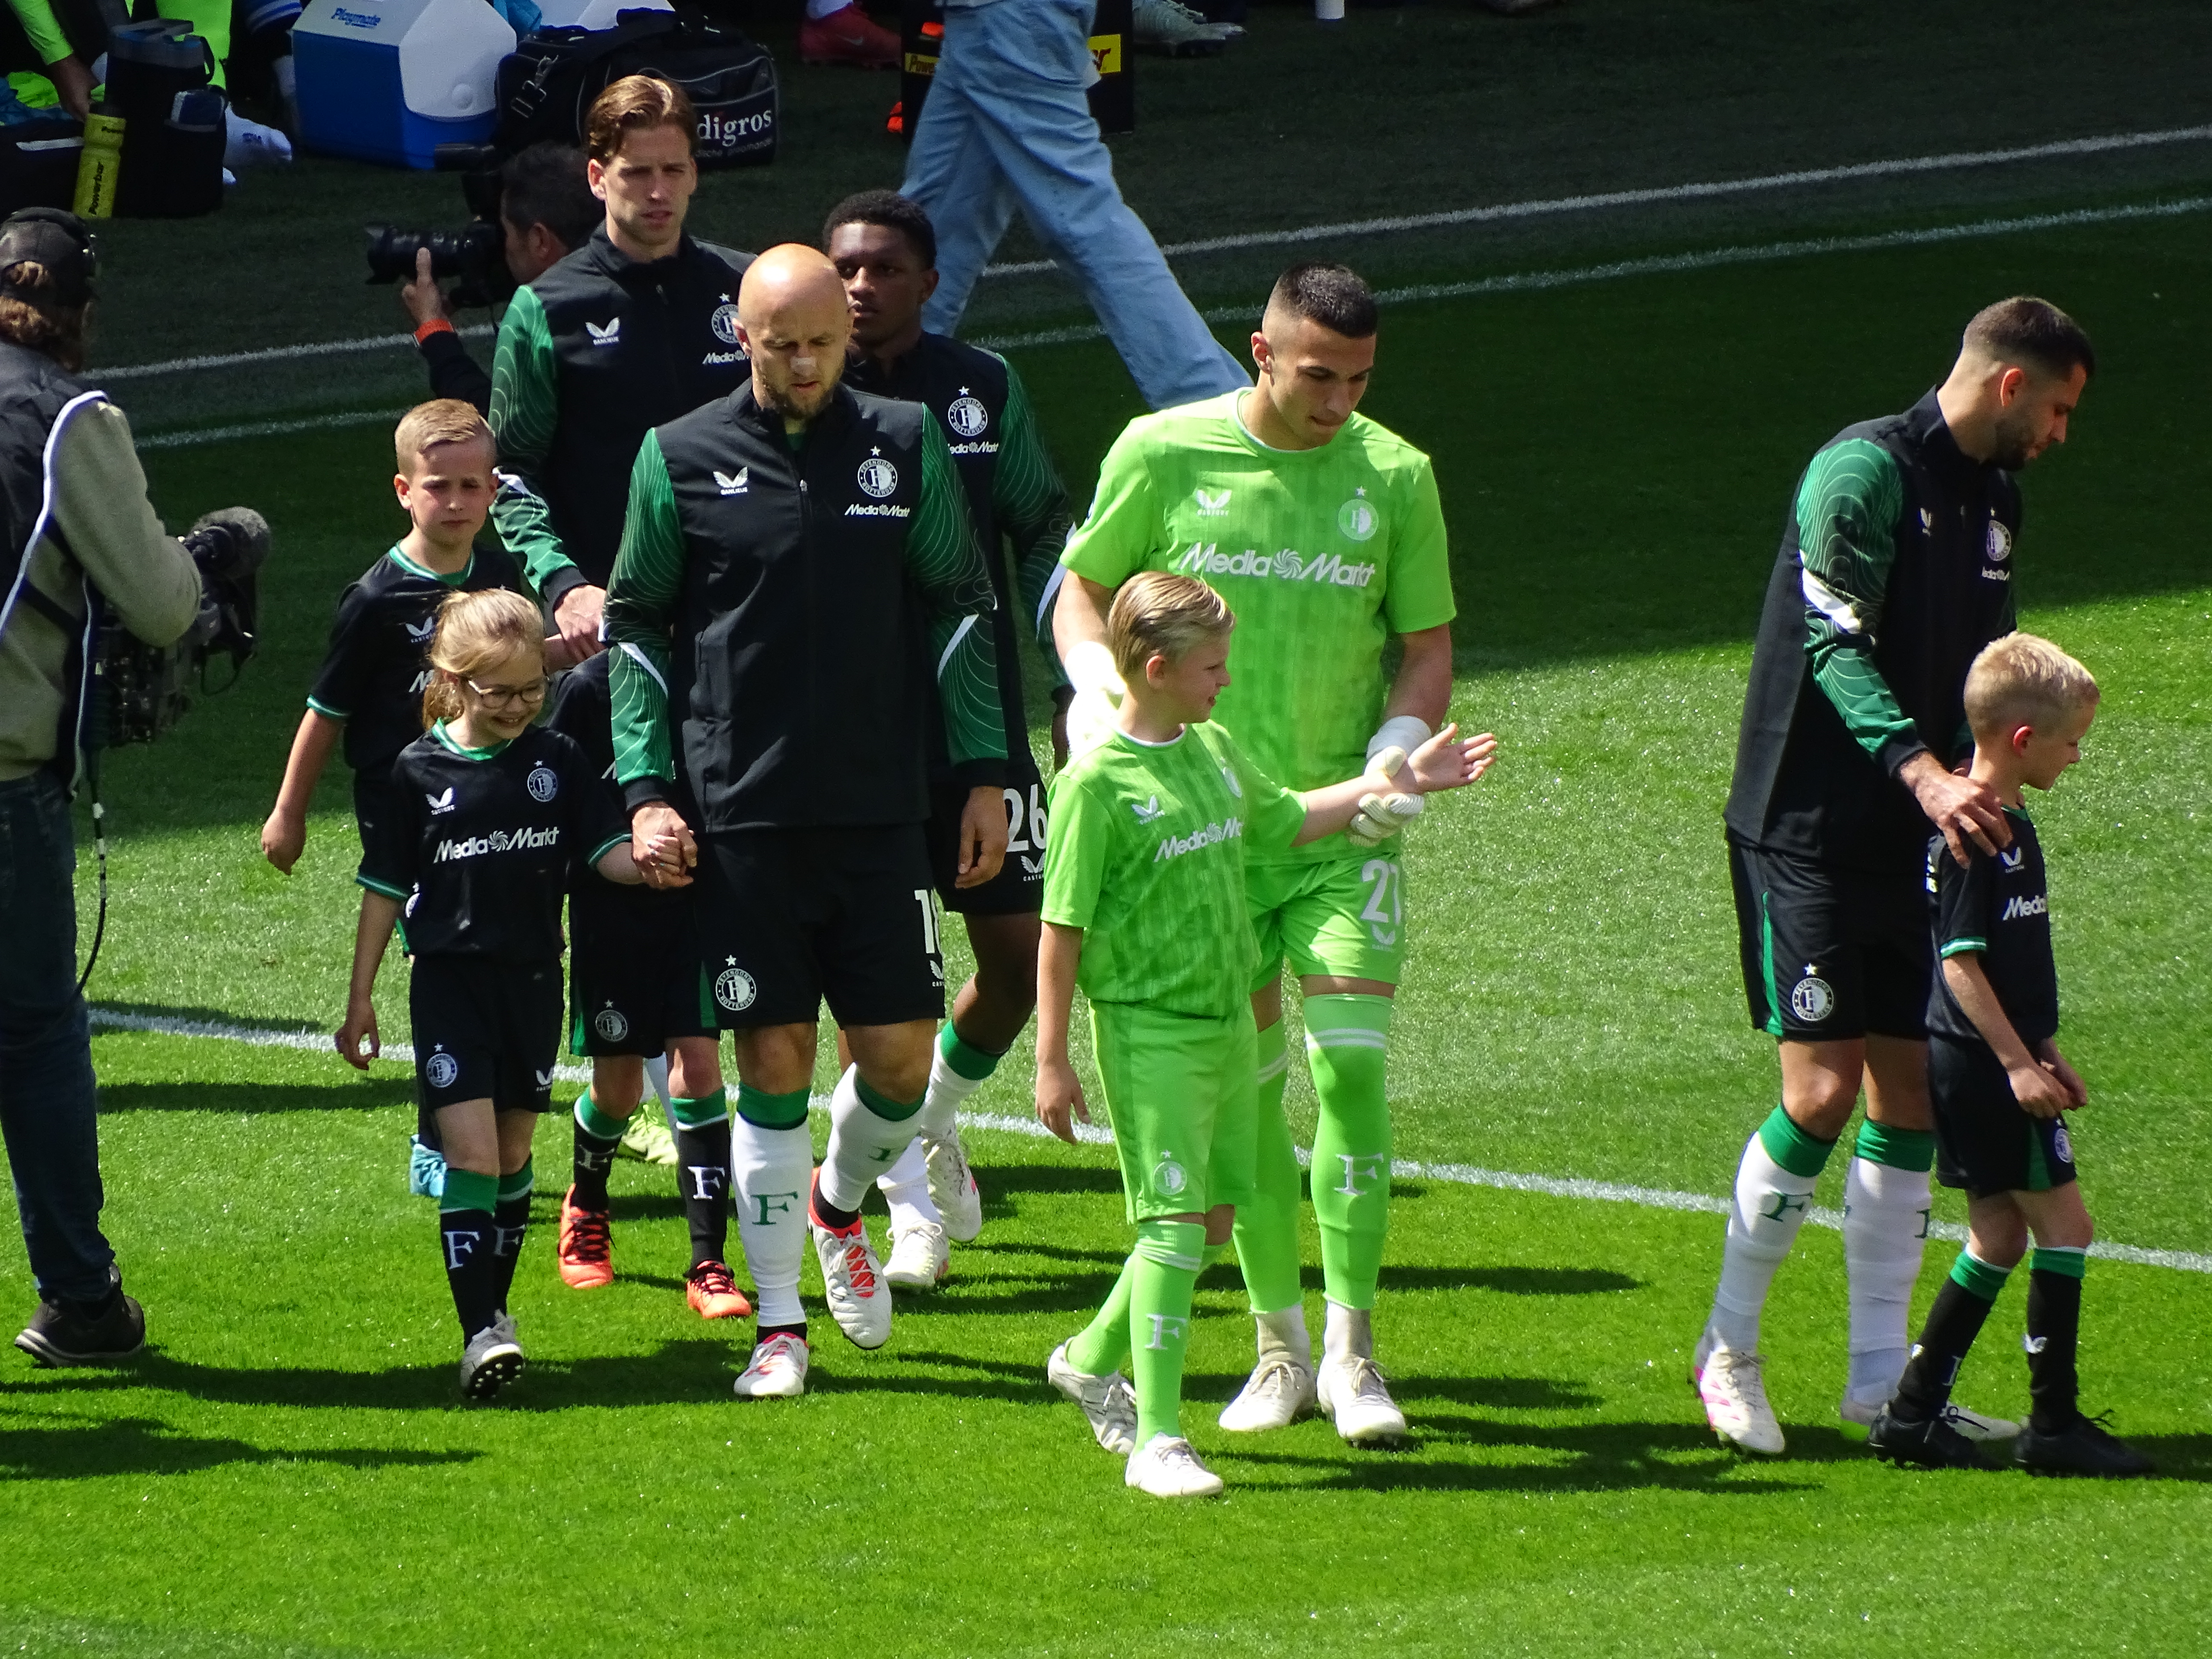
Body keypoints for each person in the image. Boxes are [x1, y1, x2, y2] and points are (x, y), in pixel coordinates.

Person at [1053, 263, 1459, 1445]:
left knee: (1353, 1074)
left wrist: (1393, 756)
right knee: (1249, 1110)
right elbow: (1081, 591)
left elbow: (1426, 649)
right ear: (1261, 352)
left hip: (1336, 830)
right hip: (1209, 844)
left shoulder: (1397, 475)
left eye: (1360, 382)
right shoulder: (1162, 451)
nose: (1339, 404)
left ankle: (1353, 1351)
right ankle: (1279, 1346)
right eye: (1318, 376)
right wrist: (1096, 695)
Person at [604, 244, 1010, 1400]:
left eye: (822, 345)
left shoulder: (905, 441)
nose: (801, 366)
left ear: (847, 337)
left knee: (900, 1061)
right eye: (779, 346)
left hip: (881, 810)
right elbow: (636, 621)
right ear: (742, 336)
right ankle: (779, 1326)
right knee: (772, 1060)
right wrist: (646, 788)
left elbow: (960, 599)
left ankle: (837, 1205)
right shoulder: (676, 456)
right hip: (743, 816)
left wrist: (982, 771)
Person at [1701, 296, 2095, 1456]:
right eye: (2057, 409)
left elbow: (1990, 668)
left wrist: (1988, 777)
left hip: (1920, 832)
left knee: (1908, 1094)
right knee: (1820, 1093)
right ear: (2011, 384)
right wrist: (1923, 774)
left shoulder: (1996, 499)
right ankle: (1728, 1349)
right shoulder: (1860, 473)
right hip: (1808, 829)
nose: (2060, 435)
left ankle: (1879, 1382)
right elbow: (1834, 642)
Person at [1035, 572, 1493, 1497]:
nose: (1227, 680)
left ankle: (1086, 1360)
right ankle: (1157, 1440)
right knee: (1172, 1228)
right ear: (1157, 670)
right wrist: (1052, 1058)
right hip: (1150, 1035)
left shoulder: (1210, 750)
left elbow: (1285, 820)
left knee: (1211, 1223)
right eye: (1212, 667)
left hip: (1226, 1029)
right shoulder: (1095, 785)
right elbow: (1060, 927)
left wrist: (1395, 781)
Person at [826, 188, 1074, 1290]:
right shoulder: (802, 402)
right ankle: (909, 1210)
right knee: (878, 990)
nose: (862, 286)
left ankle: (930, 1114)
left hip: (980, 728)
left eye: (885, 268)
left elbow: (1046, 524)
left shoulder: (982, 388)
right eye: (846, 267)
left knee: (1020, 965)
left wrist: (1075, 676)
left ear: (930, 282)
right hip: (859, 746)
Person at [338, 589, 642, 1398]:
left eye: (532, 688)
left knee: (511, 1159)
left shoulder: (558, 761)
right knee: (471, 1155)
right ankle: (479, 1332)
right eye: (499, 691)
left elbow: (606, 851)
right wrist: (360, 996)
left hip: (534, 985)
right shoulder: (417, 771)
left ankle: (493, 1317)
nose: (517, 706)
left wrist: (657, 858)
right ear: (454, 681)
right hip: (450, 985)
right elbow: (382, 887)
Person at [1867, 633, 2152, 1479]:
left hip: (1992, 1060)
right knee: (2066, 1228)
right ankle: (2053, 1425)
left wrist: (2046, 1049)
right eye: (2070, 742)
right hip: (1984, 1066)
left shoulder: (2008, 823)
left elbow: (2013, 965)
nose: (2077, 757)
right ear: (2023, 739)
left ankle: (1910, 1414)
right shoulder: (1975, 834)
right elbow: (1960, 964)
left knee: (1996, 1236)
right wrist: (2017, 1066)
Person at [0, 209, 206, 1365]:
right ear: (79, 315)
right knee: (33, 1035)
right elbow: (163, 605)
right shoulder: (66, 416)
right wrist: (205, 563)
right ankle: (78, 1297)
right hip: (4, 787)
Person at [491, 74, 755, 667]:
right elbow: (509, 473)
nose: (658, 191)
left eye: (673, 170)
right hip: (613, 619)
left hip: (746, 608)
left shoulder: (748, 287)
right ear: (597, 177)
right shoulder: (546, 309)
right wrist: (566, 587)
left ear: (695, 174)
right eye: (636, 173)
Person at [897, 0, 1247, 412]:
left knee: (1081, 219)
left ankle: (1213, 404)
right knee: (938, 217)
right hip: (996, 18)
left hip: (1006, 17)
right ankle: (882, 386)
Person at [543, 649, 749, 1321]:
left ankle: (708, 1264)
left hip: (699, 909)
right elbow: (557, 803)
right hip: (611, 916)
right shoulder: (589, 689)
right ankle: (586, 1203)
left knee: (699, 1072)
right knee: (620, 1089)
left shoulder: (716, 672)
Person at [259, 401, 529, 887]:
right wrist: (288, 813)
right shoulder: (375, 600)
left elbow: (517, 667)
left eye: (470, 487)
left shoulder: (499, 574)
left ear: (493, 490)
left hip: (484, 780)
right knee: (421, 917)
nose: (455, 502)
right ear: (405, 491)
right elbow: (327, 711)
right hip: (399, 793)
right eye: (438, 487)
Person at [402, 143, 604, 416]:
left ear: (540, 241)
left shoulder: (549, 321)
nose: (503, 249)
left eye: (506, 234)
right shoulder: (636, 277)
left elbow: (495, 421)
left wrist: (433, 330)